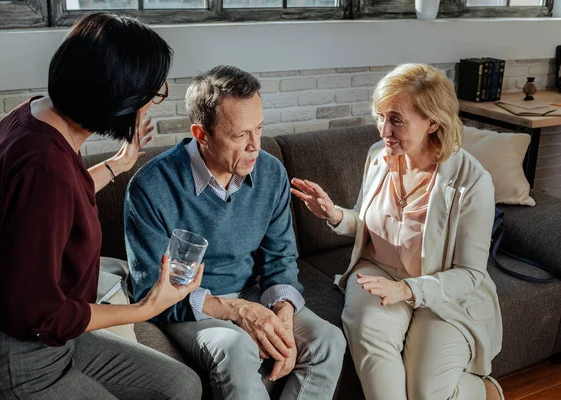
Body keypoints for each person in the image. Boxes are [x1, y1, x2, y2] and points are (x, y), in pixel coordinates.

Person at [0, 13, 203, 400]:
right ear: (117, 96)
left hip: (56, 340)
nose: (148, 106)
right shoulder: (45, 167)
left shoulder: (33, 115)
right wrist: (143, 308)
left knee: (181, 386)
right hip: (18, 355)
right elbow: (37, 311)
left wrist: (116, 165)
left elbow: (51, 206)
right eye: (150, 95)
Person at [124, 65, 346, 400]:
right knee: (236, 346)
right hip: (189, 304)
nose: (255, 146)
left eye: (259, 128)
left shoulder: (271, 173)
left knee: (328, 341)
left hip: (253, 292)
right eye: (240, 135)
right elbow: (148, 292)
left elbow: (281, 256)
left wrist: (283, 311)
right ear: (201, 134)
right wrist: (236, 311)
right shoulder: (151, 186)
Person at [291, 63, 505, 400]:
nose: (383, 130)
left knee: (426, 392)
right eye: (381, 116)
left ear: (433, 121)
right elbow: (369, 223)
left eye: (397, 120)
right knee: (369, 336)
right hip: (376, 272)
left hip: (443, 293)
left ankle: (485, 392)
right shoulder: (379, 156)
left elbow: (469, 274)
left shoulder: (471, 181)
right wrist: (334, 215)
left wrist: (407, 290)